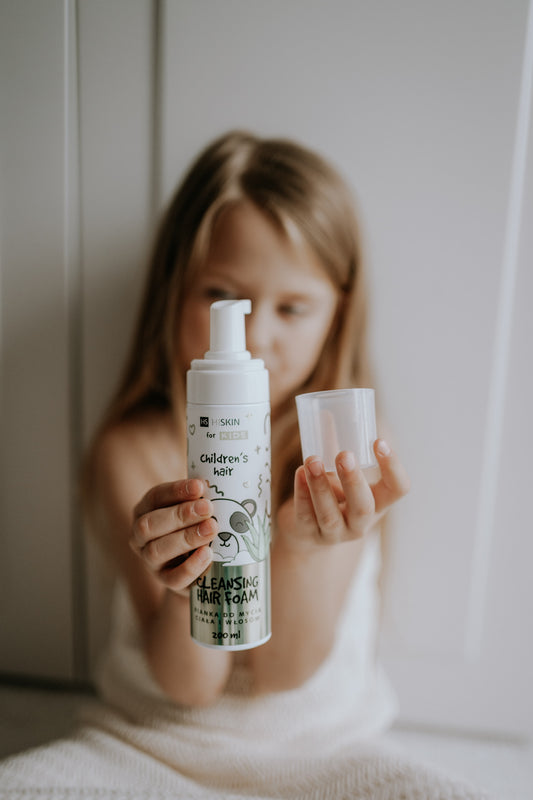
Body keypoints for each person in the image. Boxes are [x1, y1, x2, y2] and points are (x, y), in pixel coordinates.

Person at [0, 131, 488, 799]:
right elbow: (189, 687)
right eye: (219, 294)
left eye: (292, 307)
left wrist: (304, 548)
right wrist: (185, 584)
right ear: (172, 290)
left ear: (339, 311)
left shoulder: (342, 450)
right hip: (152, 738)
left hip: (321, 747)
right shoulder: (134, 450)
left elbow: (283, 673)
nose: (256, 334)